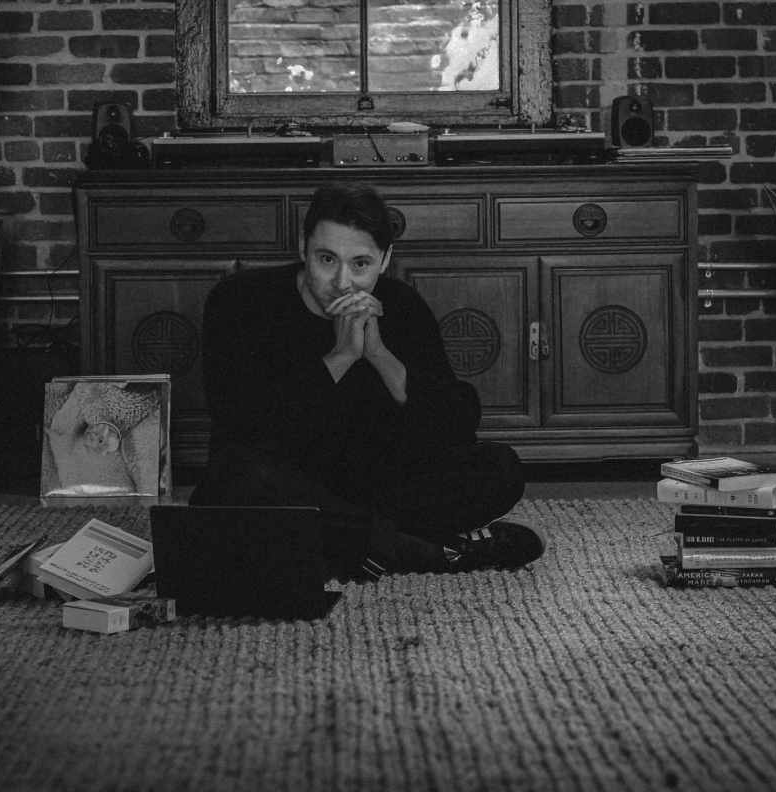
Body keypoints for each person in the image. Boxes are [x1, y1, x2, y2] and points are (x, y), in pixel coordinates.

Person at [190, 181, 545, 577]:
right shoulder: (239, 300)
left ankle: (353, 543)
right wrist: (340, 357)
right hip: (284, 482)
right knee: (234, 479)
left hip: (376, 488)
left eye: (360, 264)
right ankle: (425, 552)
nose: (342, 282)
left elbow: (458, 427)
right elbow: (239, 424)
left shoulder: (402, 306)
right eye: (327, 259)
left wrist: (379, 354)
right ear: (302, 248)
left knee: (500, 468)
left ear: (385, 259)